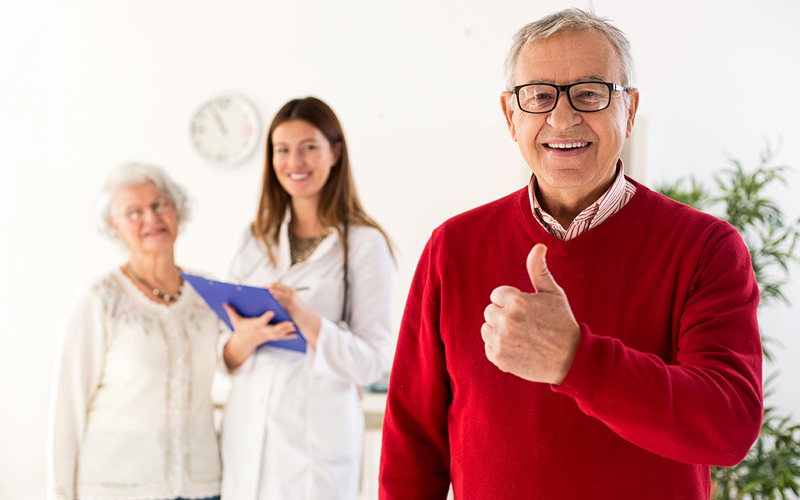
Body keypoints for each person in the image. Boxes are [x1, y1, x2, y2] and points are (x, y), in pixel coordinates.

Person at [379, 8, 763, 500]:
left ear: (629, 109)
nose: (562, 118)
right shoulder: (452, 248)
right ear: (510, 115)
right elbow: (411, 450)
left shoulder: (706, 248)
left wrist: (576, 360)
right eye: (539, 96)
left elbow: (727, 426)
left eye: (590, 93)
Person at [219, 96, 396, 500]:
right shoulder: (254, 239)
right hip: (248, 438)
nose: (294, 162)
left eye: (308, 148)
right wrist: (246, 337)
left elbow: (372, 362)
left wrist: (303, 316)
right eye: (282, 150)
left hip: (316, 451)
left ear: (334, 152)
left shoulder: (365, 245)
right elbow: (224, 354)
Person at [47, 164, 221, 500]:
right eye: (134, 212)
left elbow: (234, 364)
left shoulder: (207, 293)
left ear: (177, 210)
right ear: (114, 227)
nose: (151, 219)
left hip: (202, 487)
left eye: (159, 205)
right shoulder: (99, 297)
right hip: (115, 488)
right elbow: (66, 407)